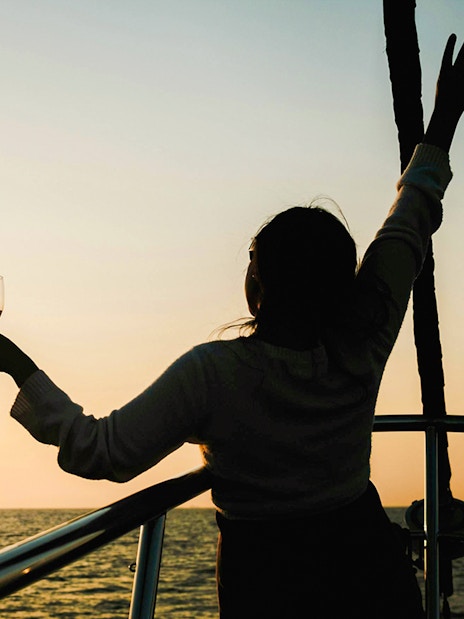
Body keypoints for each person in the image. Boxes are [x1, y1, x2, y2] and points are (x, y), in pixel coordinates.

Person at [1, 34, 464, 619]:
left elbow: (104, 452)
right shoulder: (362, 337)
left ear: (259, 287)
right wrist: (445, 118)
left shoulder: (213, 375)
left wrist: (13, 361)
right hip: (366, 565)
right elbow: (410, 221)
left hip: (267, 581)